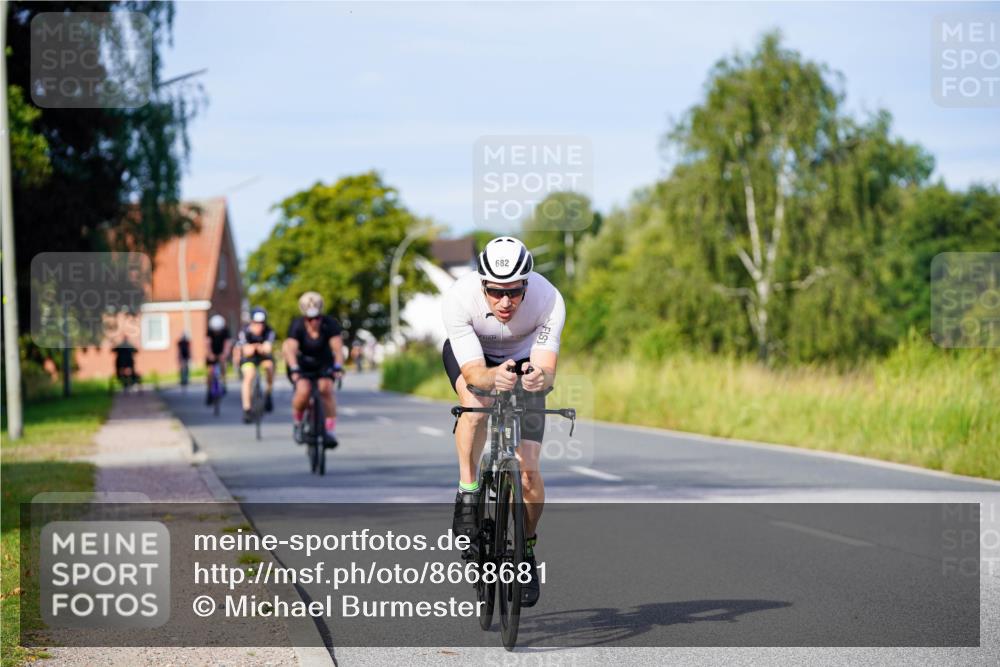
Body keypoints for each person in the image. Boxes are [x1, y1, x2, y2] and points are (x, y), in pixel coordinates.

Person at [441, 236, 565, 608]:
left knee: (528, 473)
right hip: (475, 358)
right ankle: (468, 488)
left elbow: (546, 369)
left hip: (524, 358)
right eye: (495, 292)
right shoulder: (459, 298)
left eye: (514, 292)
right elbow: (475, 373)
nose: (505, 301)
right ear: (483, 285)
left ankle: (525, 550)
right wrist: (494, 378)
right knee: (475, 401)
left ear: (527, 284)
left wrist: (538, 379)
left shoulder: (549, 299)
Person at [281, 291, 344, 446]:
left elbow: (338, 349)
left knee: (326, 389)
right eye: (310, 319)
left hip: (324, 363)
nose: (314, 322)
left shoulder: (330, 324)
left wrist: (338, 367)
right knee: (303, 391)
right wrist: (294, 368)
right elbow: (290, 349)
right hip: (302, 364)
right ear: (304, 317)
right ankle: (298, 422)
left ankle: (329, 431)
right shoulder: (297, 325)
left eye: (317, 318)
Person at [237, 307, 276, 423]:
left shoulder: (269, 331)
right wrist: (257, 347)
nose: (259, 326)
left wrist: (257, 347)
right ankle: (247, 409)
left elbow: (268, 348)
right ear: (251, 322)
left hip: (264, 357)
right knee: (249, 376)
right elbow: (246, 351)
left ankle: (268, 393)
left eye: (262, 323)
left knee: (269, 367)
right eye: (256, 323)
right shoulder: (244, 331)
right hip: (249, 359)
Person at [205, 314, 232, 404]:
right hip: (212, 352)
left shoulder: (225, 331)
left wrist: (225, 354)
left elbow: (227, 344)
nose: (217, 332)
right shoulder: (209, 331)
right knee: (210, 372)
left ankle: (224, 383)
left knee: (223, 365)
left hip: (221, 351)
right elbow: (207, 343)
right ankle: (209, 391)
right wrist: (210, 354)